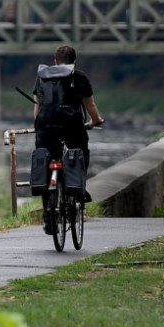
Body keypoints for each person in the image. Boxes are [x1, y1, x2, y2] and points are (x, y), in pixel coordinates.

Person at [34, 45, 104, 232]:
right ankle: (78, 188)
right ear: (74, 61)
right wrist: (96, 121)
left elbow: (38, 105)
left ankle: (48, 214)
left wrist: (39, 125)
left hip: (46, 130)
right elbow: (90, 105)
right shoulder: (79, 77)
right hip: (72, 128)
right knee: (81, 152)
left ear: (55, 60)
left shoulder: (42, 76)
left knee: (47, 162)